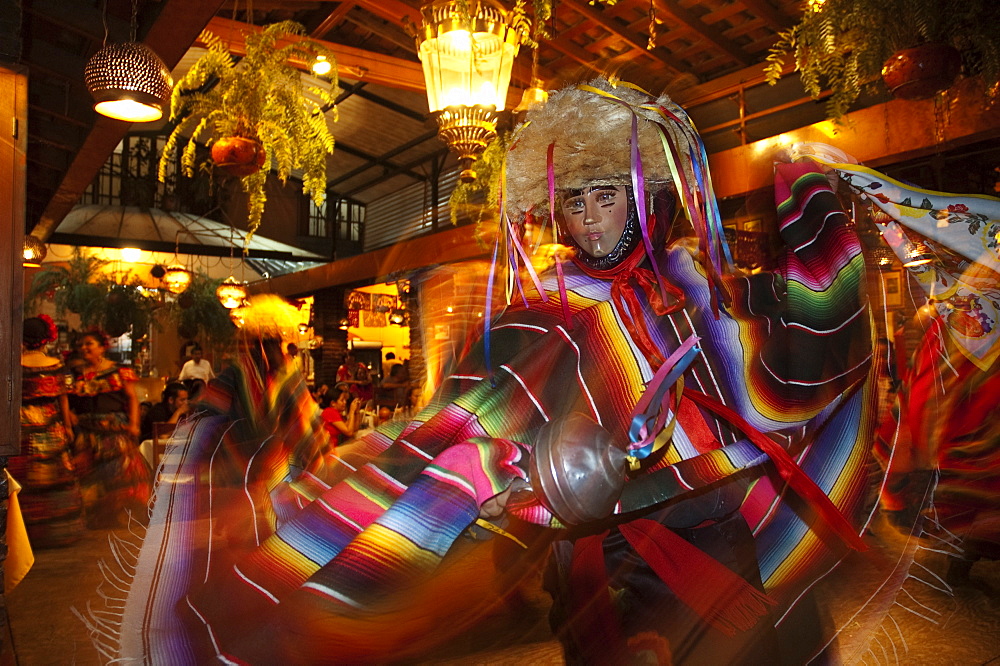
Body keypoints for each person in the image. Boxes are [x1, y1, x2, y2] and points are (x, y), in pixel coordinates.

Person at [107, 79, 881, 663]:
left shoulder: (695, 288)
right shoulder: (543, 314)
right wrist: (488, 481)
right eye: (572, 202)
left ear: (641, 194)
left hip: (722, 553)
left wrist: (819, 222)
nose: (587, 219)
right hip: (605, 574)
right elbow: (459, 426)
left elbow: (793, 366)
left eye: (604, 196)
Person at [11, 315, 84, 547]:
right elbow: (63, 399)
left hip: (21, 427)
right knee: (54, 475)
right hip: (51, 428)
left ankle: (21, 533)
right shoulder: (56, 365)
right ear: (46, 339)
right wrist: (69, 428)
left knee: (23, 477)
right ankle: (56, 532)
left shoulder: (13, 365)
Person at [67, 329, 151, 528]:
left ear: (102, 347)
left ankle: (122, 515)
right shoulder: (76, 374)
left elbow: (132, 398)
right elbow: (68, 400)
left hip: (114, 429)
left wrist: (134, 424)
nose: (84, 348)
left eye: (89, 343)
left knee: (122, 472)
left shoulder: (119, 372)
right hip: (86, 431)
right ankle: (96, 517)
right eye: (81, 345)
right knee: (88, 474)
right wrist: (70, 416)